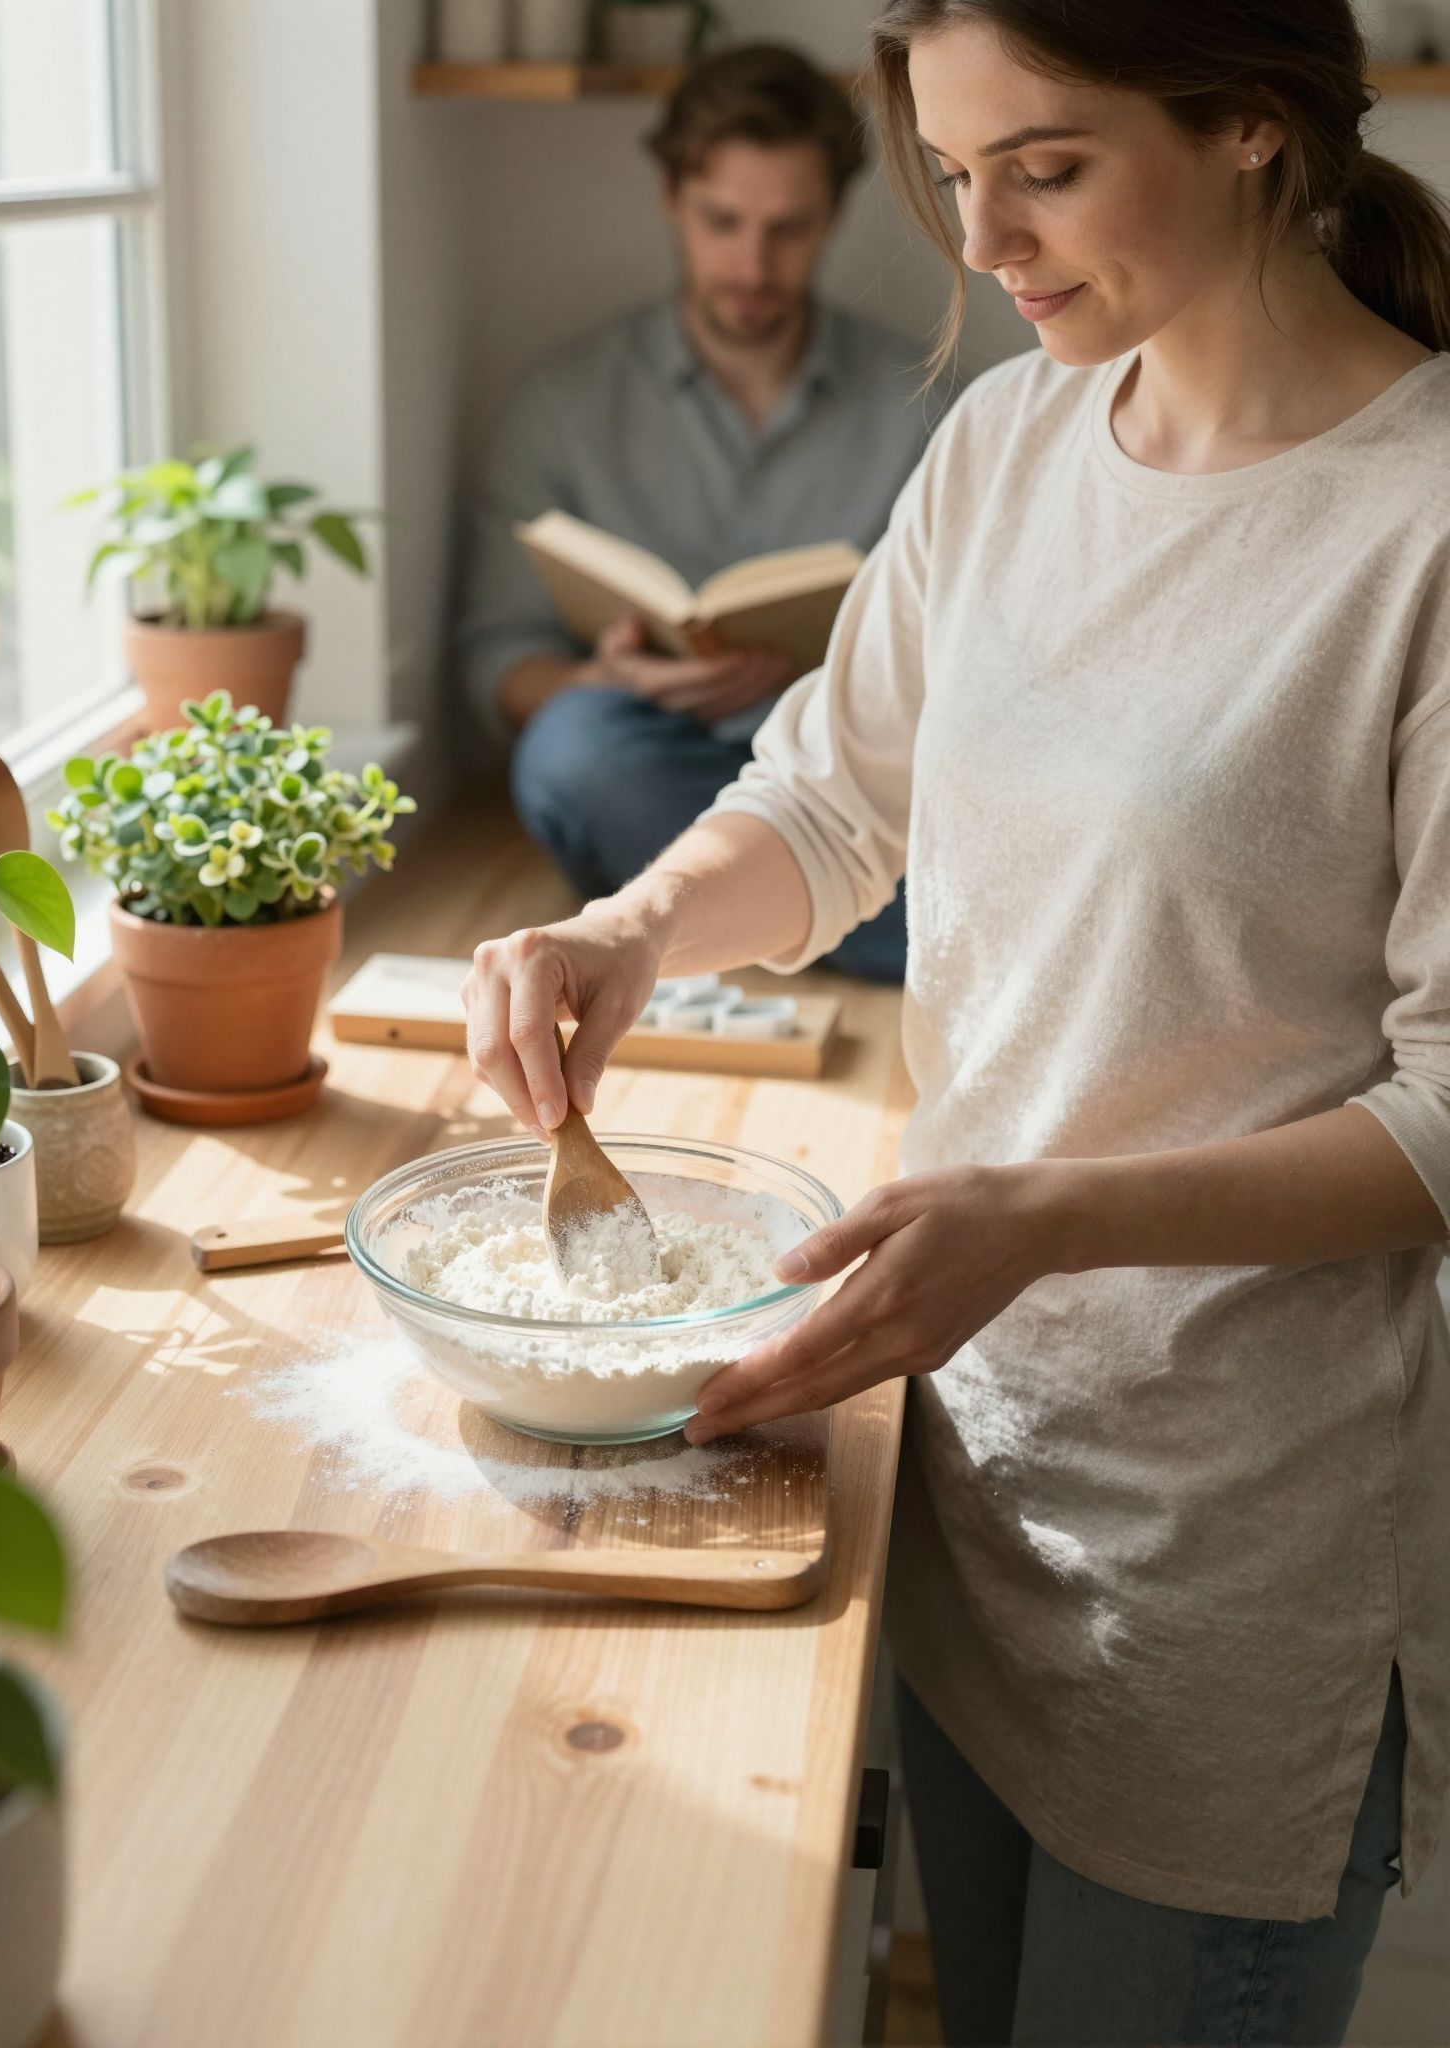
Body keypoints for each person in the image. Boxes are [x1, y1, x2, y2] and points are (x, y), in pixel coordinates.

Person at [461, 1, 1450, 2041]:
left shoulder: (1419, 526)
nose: (982, 236)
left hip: (1215, 1567)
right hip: (956, 1470)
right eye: (950, 166)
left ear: (1256, 128)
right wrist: (633, 928)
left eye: (1049, 165)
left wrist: (1047, 1219)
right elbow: (833, 798)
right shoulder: (1007, 440)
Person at [458, 43, 935, 984]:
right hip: (645, 756)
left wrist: (817, 661)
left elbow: (962, 659)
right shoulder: (563, 401)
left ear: (833, 216)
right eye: (723, 221)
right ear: (672, 199)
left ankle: (737, 919)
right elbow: (496, 660)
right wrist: (603, 675)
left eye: (788, 229)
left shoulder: (921, 400)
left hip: (844, 771)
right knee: (571, 749)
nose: (751, 264)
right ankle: (912, 941)